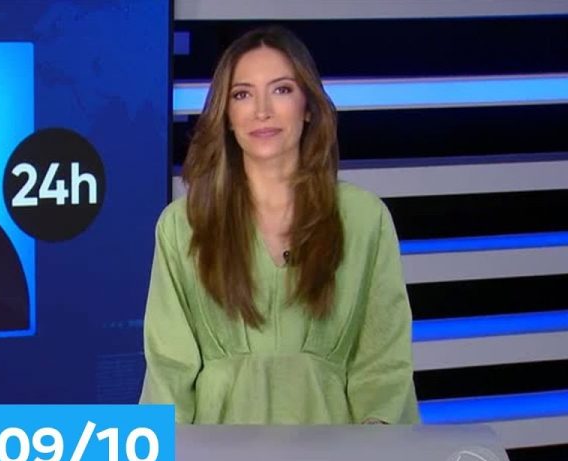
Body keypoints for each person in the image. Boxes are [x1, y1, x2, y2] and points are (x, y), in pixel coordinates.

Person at [139, 26, 420, 425]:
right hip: (217, 453)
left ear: (308, 106)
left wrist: (371, 452)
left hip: (333, 452)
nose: (262, 111)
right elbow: (168, 374)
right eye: (242, 94)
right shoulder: (183, 225)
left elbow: (383, 365)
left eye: (281, 90)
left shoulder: (364, 218)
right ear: (226, 115)